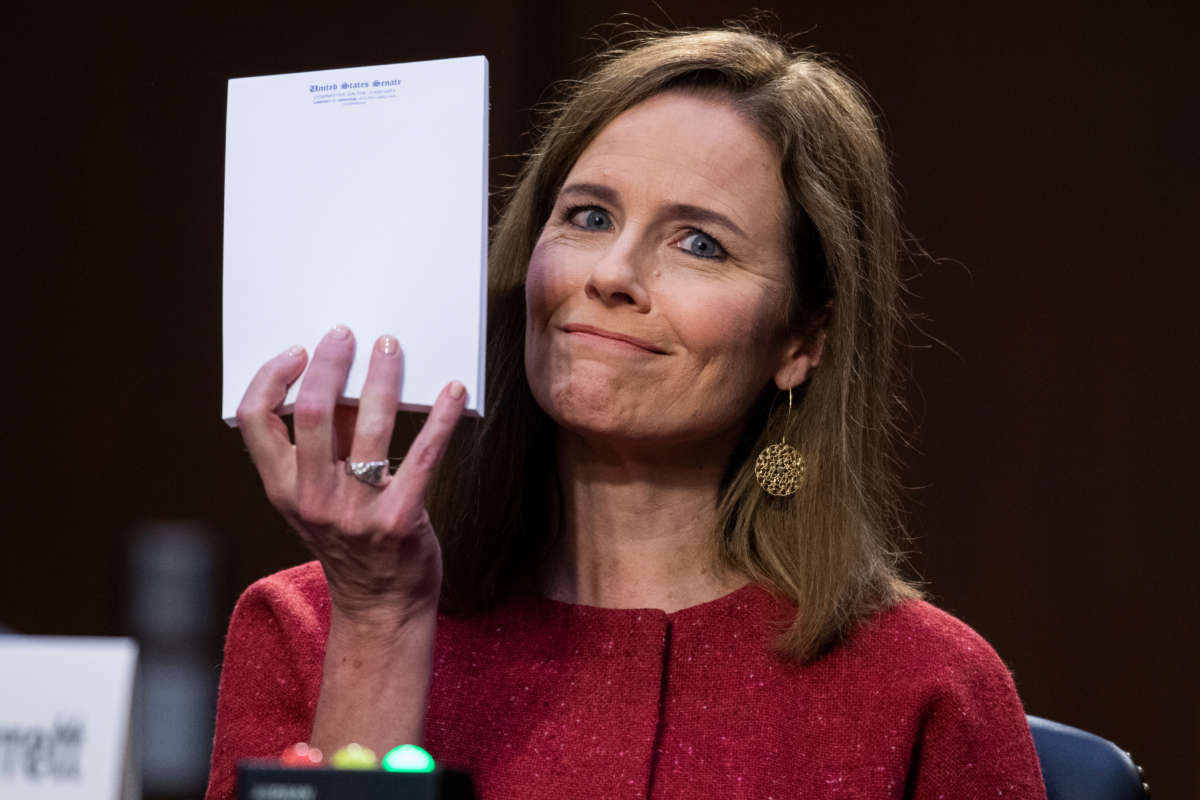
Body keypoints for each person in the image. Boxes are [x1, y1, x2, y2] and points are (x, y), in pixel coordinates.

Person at [205, 27, 1047, 800]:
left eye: (699, 243)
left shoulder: (928, 688)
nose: (610, 272)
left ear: (801, 338)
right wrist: (379, 624)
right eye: (590, 216)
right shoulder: (309, 630)